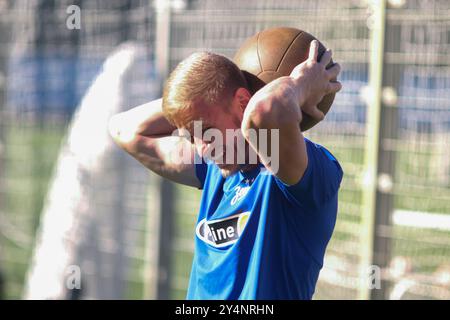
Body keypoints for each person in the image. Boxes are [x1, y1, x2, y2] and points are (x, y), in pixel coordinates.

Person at [108, 40, 343, 299]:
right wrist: (197, 99)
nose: (201, 149)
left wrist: (301, 83)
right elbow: (123, 128)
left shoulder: (306, 173)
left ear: (244, 102)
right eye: (190, 136)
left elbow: (265, 112)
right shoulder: (214, 169)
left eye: (206, 131)